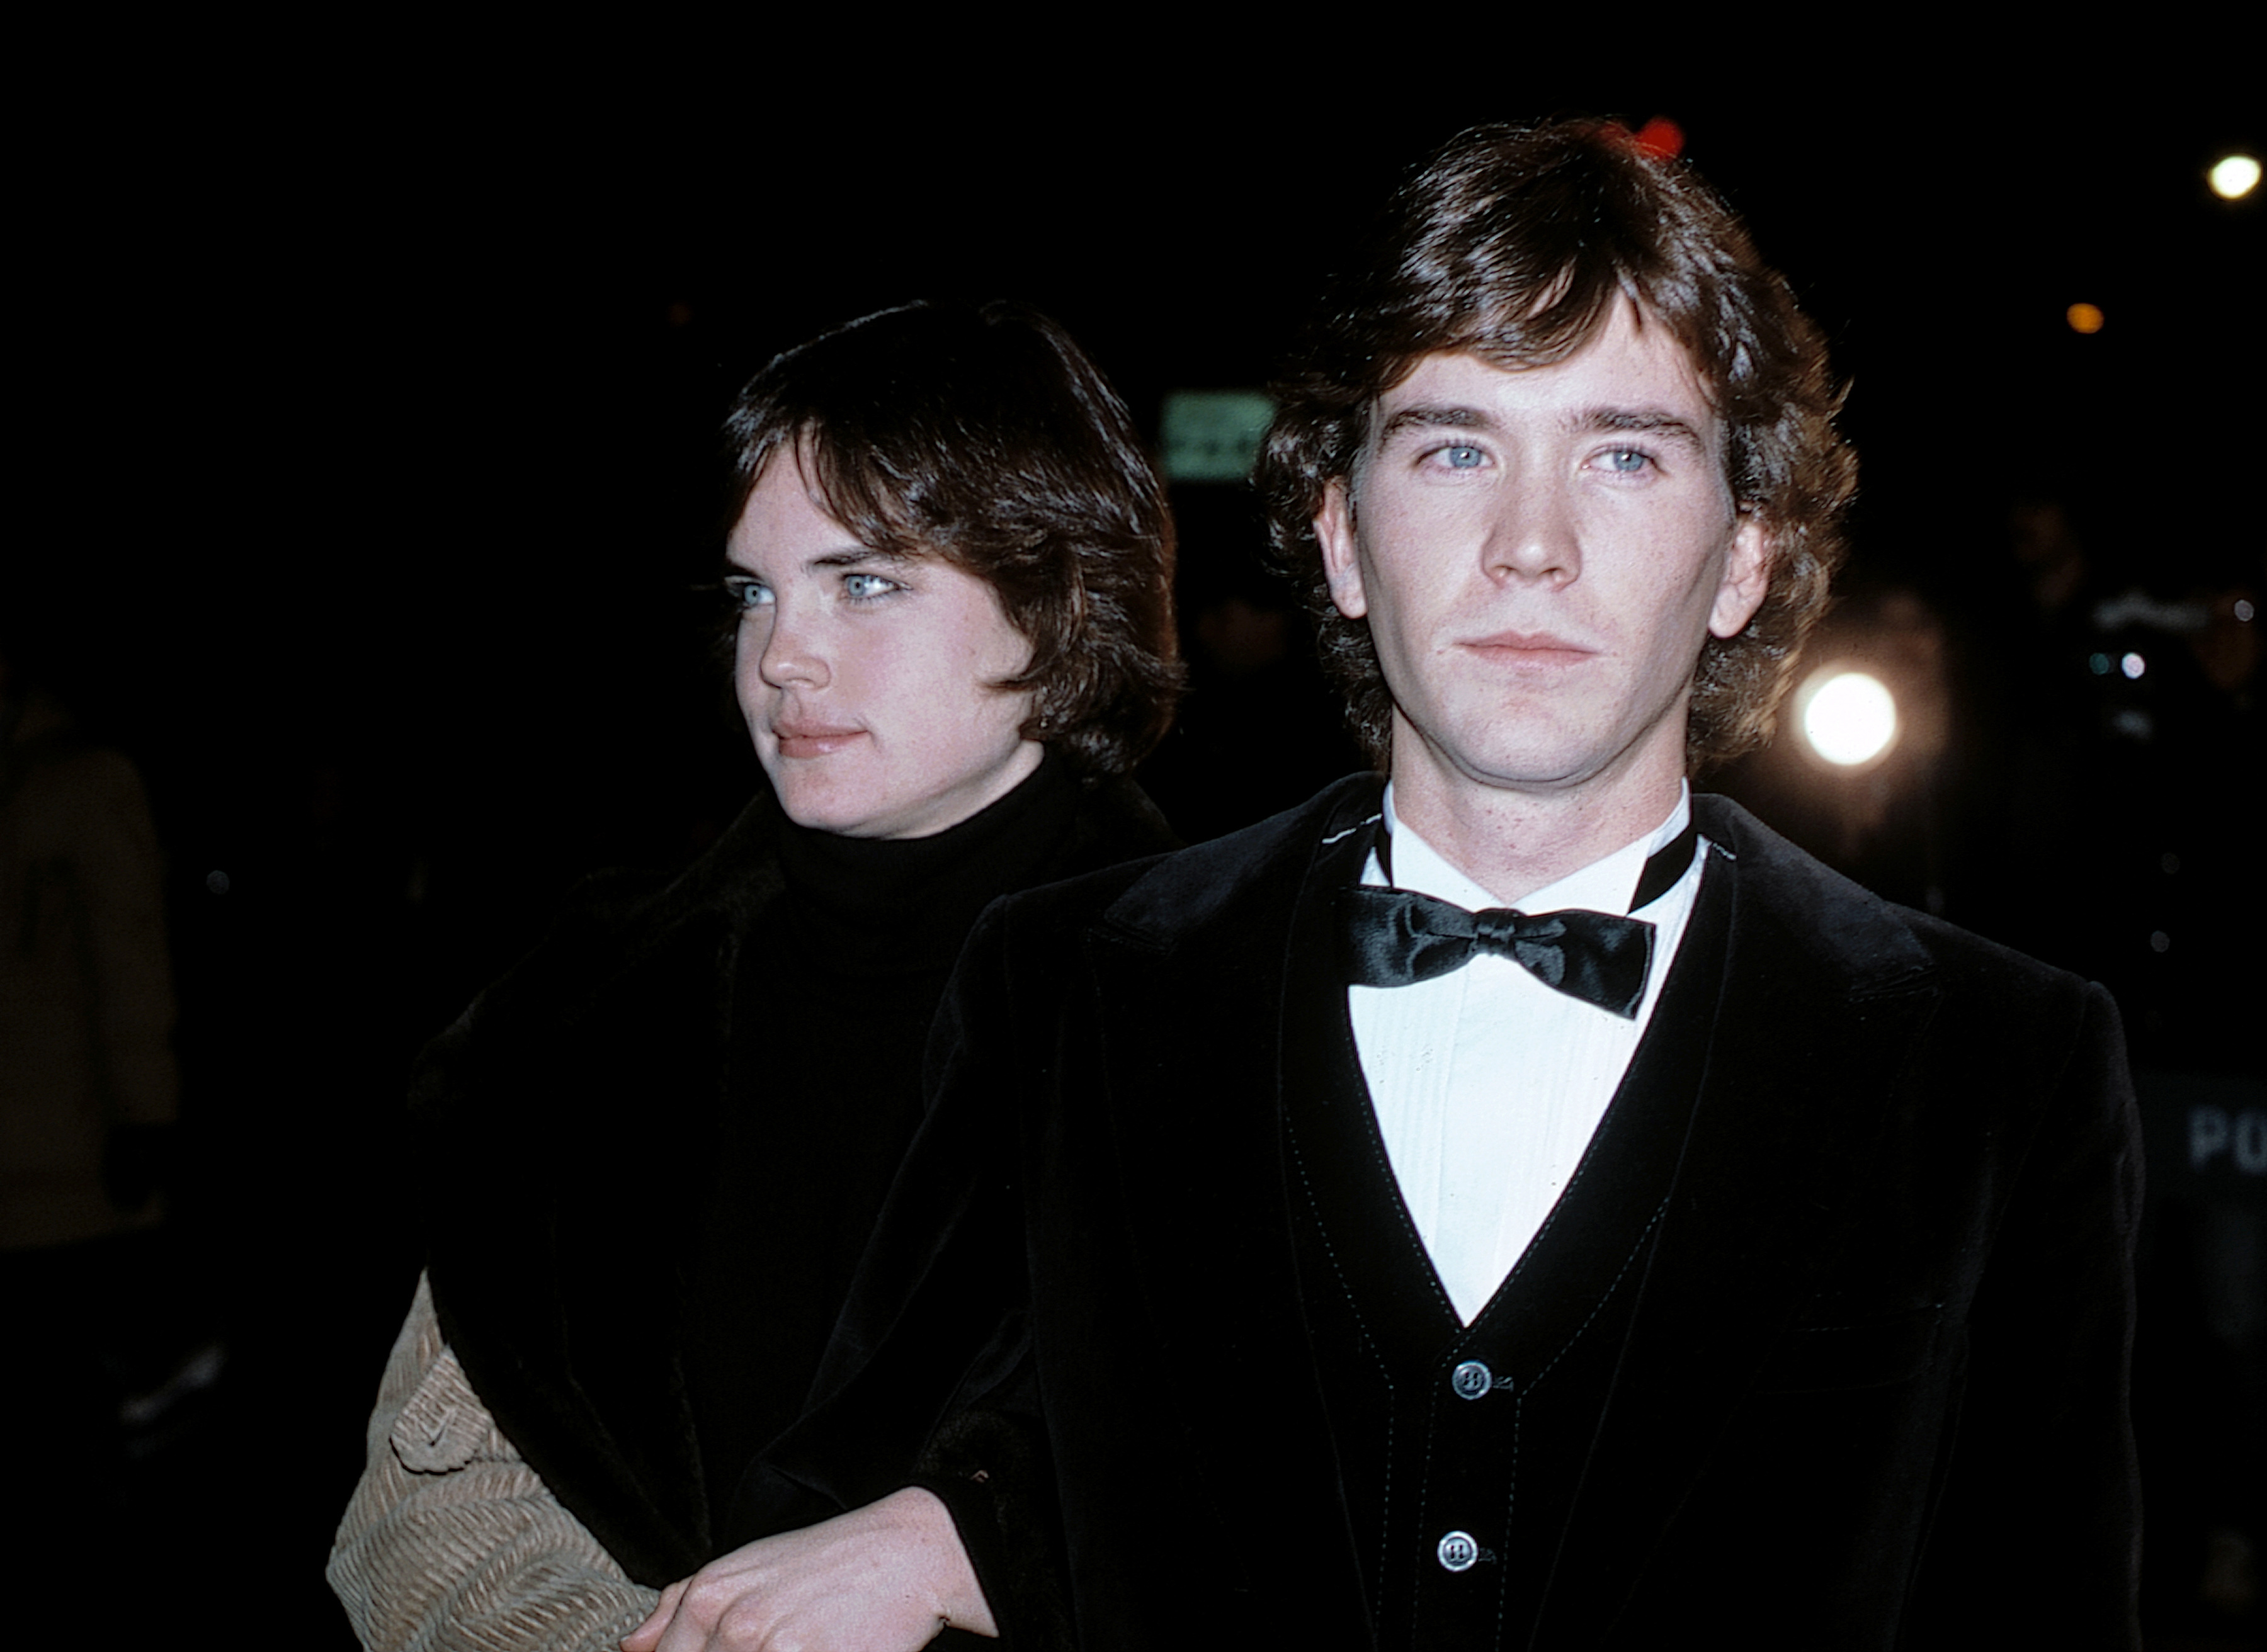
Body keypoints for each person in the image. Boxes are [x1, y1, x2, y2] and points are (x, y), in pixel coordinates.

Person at [639, 121, 2144, 1650]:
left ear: (1747, 552)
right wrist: (963, 1523)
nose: (1532, 544)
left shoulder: (1998, 1069)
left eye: (1624, 453)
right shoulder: (1068, 990)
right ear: (1343, 534)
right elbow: (856, 1499)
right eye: (1455, 447)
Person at [325, 299, 1181, 1650]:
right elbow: (431, 1516)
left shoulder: (1226, 1013)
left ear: (1055, 595)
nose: (781, 656)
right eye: (753, 592)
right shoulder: (585, 1012)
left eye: (866, 581)